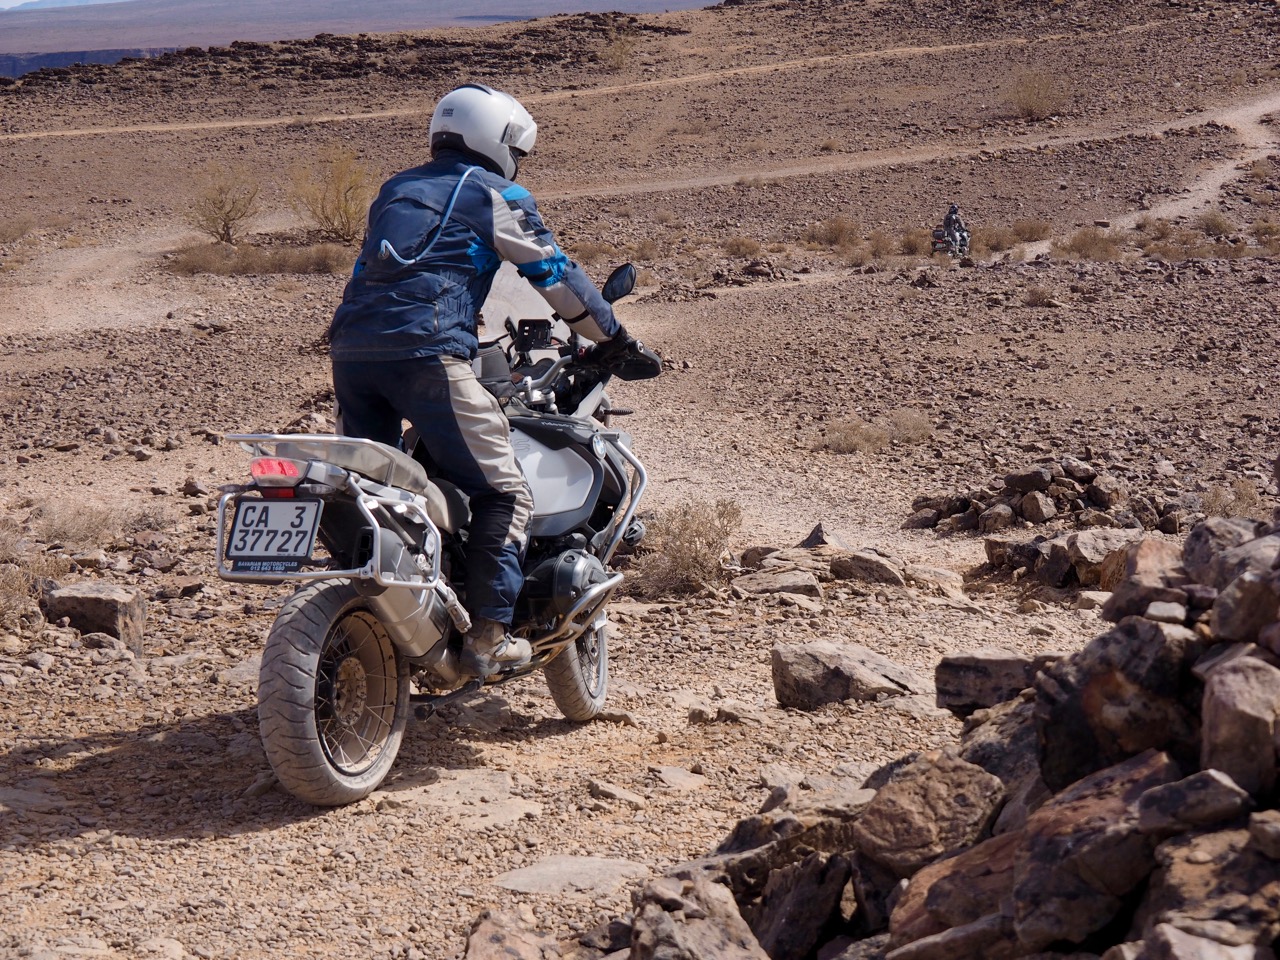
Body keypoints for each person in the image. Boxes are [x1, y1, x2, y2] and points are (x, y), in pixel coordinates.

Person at [327, 83, 644, 678]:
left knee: (379, 489)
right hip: (428, 357)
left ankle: (378, 611)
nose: (517, 163)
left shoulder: (395, 188)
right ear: (499, 141)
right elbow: (553, 272)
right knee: (504, 491)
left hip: (350, 354)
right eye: (516, 151)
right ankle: (490, 635)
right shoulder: (493, 192)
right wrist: (613, 337)